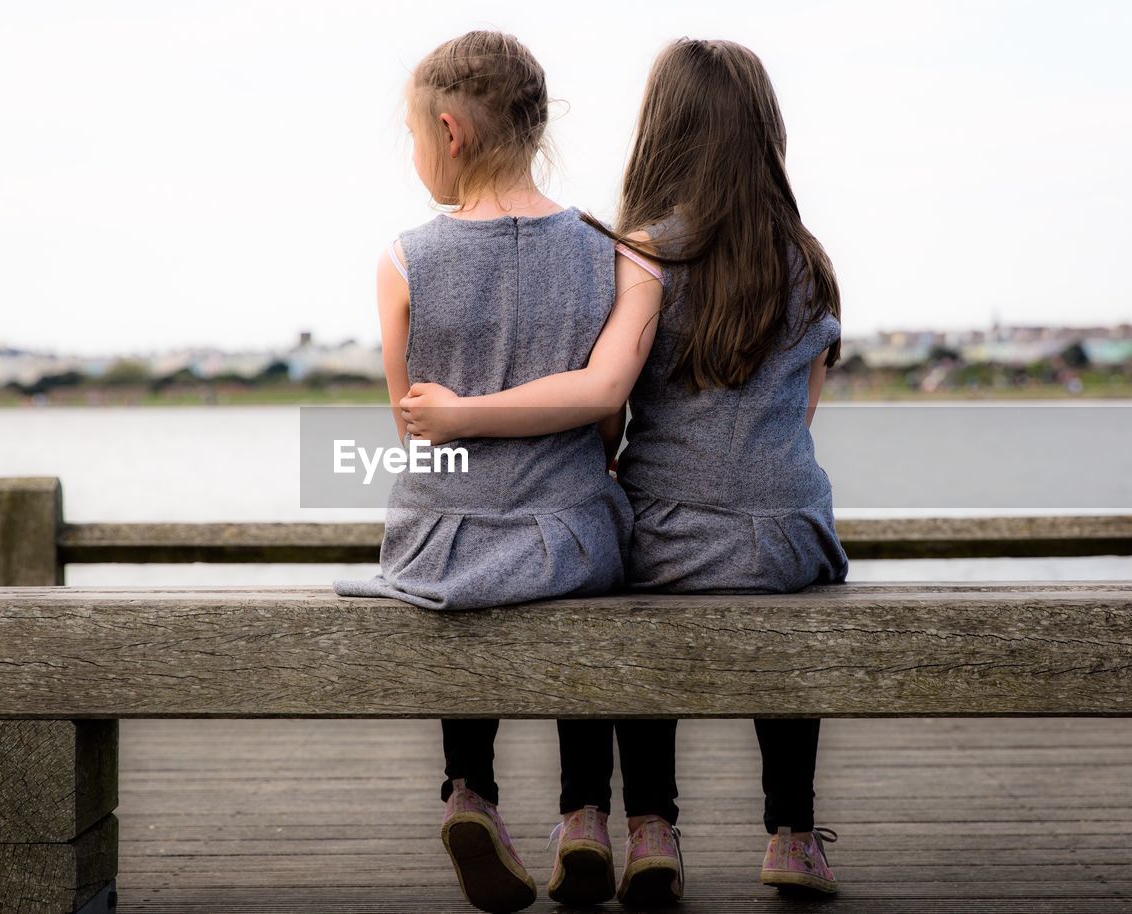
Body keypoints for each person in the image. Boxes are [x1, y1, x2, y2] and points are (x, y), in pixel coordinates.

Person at [401, 37, 849, 900]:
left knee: (621, 567)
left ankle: (647, 828)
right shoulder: (810, 263)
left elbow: (607, 412)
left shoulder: (643, 255)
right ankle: (793, 834)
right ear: (767, 135)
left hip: (671, 537)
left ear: (662, 133)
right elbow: (801, 419)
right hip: (790, 536)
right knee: (788, 619)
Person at [332, 30, 672, 913]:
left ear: (449, 132)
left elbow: (412, 430)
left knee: (460, 579)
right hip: (568, 540)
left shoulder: (406, 258)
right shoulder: (612, 253)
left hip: (441, 546)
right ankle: (586, 814)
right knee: (592, 581)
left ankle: (469, 790)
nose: (414, 156)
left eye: (412, 137)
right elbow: (608, 417)